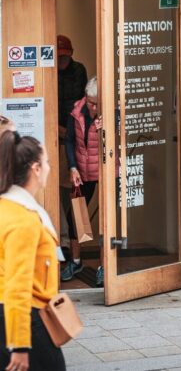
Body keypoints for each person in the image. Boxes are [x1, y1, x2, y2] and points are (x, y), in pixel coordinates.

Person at [0, 131, 66, 371]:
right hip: (26, 319)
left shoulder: (5, 207)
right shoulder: (24, 220)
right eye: (47, 162)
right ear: (36, 168)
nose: (50, 167)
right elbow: (18, 286)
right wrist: (19, 346)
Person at [61, 77, 103, 286]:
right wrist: (72, 167)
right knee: (75, 217)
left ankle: (106, 267)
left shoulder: (112, 113)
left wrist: (108, 128)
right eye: (90, 102)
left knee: (108, 220)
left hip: (105, 173)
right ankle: (76, 261)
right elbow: (69, 140)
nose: (93, 106)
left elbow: (121, 140)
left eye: (97, 103)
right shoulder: (76, 111)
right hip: (82, 173)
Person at [57, 35, 88, 259]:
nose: (62, 61)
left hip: (75, 135)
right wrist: (57, 128)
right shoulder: (49, 71)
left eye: (65, 56)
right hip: (57, 135)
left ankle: (74, 244)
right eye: (59, 57)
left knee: (75, 192)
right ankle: (63, 240)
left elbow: (82, 102)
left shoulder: (79, 70)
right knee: (58, 189)